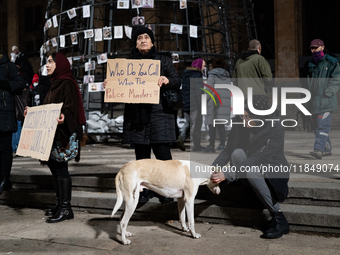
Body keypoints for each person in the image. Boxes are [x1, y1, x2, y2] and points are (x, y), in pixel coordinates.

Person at [103, 27, 181, 203]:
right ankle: (145, 192)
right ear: (136, 42)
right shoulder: (127, 63)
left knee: (163, 156)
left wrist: (167, 80)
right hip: (137, 117)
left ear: (152, 41)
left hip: (159, 115)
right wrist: (112, 83)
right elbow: (120, 84)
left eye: (147, 37)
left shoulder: (163, 59)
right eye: (139, 38)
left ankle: (167, 192)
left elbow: (177, 80)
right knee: (142, 158)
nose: (143, 40)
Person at [211, 96, 290, 239]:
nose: (243, 120)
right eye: (242, 115)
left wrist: (228, 174)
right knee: (237, 153)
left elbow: (260, 158)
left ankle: (279, 218)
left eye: (247, 117)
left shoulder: (275, 127)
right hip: (251, 166)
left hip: (273, 171)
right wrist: (212, 169)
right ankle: (252, 196)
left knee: (251, 169)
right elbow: (228, 150)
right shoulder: (240, 124)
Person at [25, 52, 86, 223]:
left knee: (61, 170)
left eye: (51, 62)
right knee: (55, 169)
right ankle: (61, 205)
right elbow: (47, 108)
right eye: (46, 62)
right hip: (53, 135)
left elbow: (71, 108)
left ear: (60, 64)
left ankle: (66, 208)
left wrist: (64, 116)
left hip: (63, 135)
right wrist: (31, 112)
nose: (47, 65)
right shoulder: (55, 84)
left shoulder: (67, 83)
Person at [304, 39, 340, 159]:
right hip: (314, 102)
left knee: (322, 125)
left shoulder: (331, 62)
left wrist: (328, 93)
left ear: (322, 48)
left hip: (326, 101)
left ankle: (318, 149)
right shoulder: (310, 64)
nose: (314, 50)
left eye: (316, 48)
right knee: (316, 127)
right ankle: (327, 148)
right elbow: (308, 83)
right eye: (312, 48)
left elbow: (336, 79)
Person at [0, 52, 26, 195]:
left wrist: (3, 83)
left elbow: (20, 84)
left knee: (5, 147)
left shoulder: (9, 66)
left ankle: (4, 178)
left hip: (5, 113)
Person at [202, 57, 231, 153]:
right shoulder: (227, 76)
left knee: (212, 126)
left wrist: (204, 100)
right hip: (224, 104)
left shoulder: (212, 75)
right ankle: (222, 145)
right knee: (221, 126)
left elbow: (209, 90)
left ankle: (211, 146)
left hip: (214, 104)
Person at [177, 58, 205, 152]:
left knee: (188, 123)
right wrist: (201, 104)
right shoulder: (197, 75)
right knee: (196, 124)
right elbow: (198, 92)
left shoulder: (185, 75)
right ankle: (195, 145)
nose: (204, 68)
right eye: (203, 65)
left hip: (186, 103)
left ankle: (181, 138)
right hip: (195, 104)